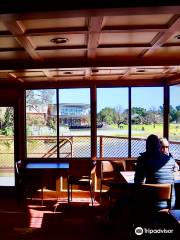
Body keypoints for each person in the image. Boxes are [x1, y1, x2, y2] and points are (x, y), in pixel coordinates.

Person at [134, 134, 179, 209]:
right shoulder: (170, 159)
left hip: (150, 203)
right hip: (170, 204)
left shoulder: (143, 159)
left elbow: (138, 182)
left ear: (147, 147)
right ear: (159, 146)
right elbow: (176, 168)